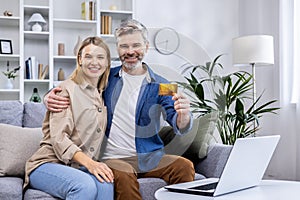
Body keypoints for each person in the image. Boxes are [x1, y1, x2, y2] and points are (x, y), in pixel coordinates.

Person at [45, 19, 195, 200]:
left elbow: (179, 123)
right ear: (117, 49)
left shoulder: (163, 84)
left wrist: (184, 115)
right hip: (113, 158)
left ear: (146, 47)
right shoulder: (107, 77)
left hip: (150, 157)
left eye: (136, 45)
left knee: (184, 166)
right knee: (123, 176)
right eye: (124, 46)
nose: (130, 51)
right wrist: (50, 95)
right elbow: (78, 83)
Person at [24, 36, 114, 200]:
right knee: (84, 185)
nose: (94, 62)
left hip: (77, 166)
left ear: (108, 62)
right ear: (80, 59)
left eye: (100, 57)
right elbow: (59, 138)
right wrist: (91, 163)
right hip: (48, 163)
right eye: (88, 56)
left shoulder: (102, 93)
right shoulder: (65, 91)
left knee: (106, 183)